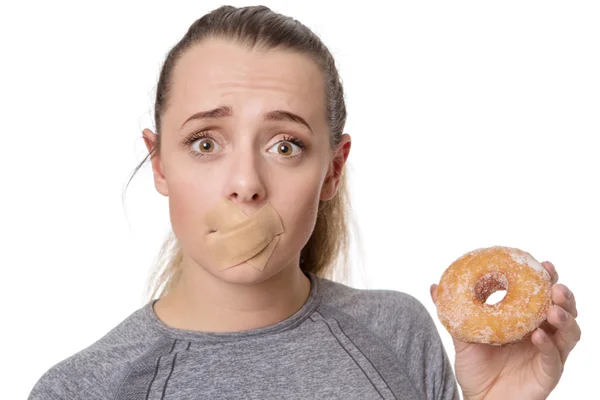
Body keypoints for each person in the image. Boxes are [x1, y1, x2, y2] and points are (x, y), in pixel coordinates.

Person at [28, 5, 580, 400]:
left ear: (332, 170)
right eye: (205, 143)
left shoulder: (398, 332)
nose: (245, 183)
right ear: (160, 164)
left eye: (285, 145)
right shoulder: (82, 388)